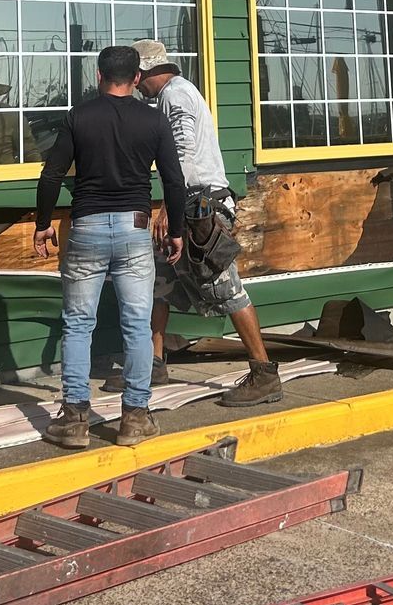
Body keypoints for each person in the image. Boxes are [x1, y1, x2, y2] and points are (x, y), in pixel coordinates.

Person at [32, 44, 187, 450]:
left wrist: (44, 224)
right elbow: (174, 180)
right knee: (136, 324)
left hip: (85, 227)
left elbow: (51, 176)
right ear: (136, 79)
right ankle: (135, 418)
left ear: (99, 76)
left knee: (79, 323)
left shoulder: (79, 116)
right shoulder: (153, 120)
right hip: (135, 230)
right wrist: (177, 229)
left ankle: (74, 419)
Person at [117, 39, 282, 408]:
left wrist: (167, 209)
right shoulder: (170, 96)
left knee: (226, 286)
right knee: (160, 281)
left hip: (200, 206)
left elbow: (184, 157)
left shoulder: (176, 97)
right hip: (191, 203)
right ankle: (154, 363)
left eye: (136, 79)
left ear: (143, 73)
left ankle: (264, 372)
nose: (136, 87)